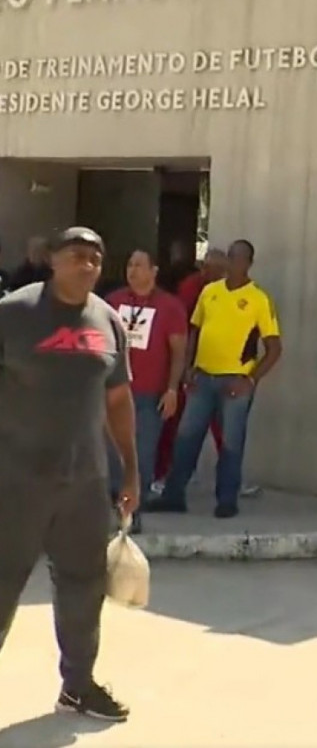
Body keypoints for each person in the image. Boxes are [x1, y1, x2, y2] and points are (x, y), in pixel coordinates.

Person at [0, 226, 138, 722]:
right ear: (52, 260)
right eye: (77, 256)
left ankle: (78, 686)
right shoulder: (13, 314)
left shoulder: (108, 321)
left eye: (96, 259)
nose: (87, 266)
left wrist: (130, 473)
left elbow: (118, 400)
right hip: (15, 483)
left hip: (85, 485)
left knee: (84, 586)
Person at [146, 239, 282, 518]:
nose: (233, 264)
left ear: (249, 263)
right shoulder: (210, 292)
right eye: (230, 258)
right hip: (203, 379)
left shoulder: (258, 298)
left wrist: (250, 380)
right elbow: (194, 330)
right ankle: (174, 495)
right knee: (186, 438)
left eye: (239, 259)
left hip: (236, 381)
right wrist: (188, 368)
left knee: (231, 442)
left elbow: (274, 348)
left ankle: (227, 500)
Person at [105, 249, 188, 534]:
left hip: (149, 394)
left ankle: (134, 511)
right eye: (129, 264)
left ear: (154, 271)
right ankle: (113, 508)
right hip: (114, 391)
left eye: (139, 265)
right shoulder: (113, 302)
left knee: (141, 453)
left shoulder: (170, 306)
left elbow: (179, 352)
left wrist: (172, 389)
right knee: (111, 451)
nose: (132, 270)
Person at [152, 247, 229, 493]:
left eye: (220, 271)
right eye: (212, 270)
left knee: (223, 426)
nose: (216, 275)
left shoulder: (230, 290)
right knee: (175, 423)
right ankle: (163, 474)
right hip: (192, 366)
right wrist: (185, 367)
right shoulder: (191, 288)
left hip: (220, 366)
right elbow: (186, 330)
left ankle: (229, 478)